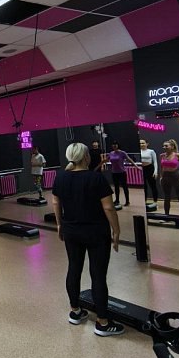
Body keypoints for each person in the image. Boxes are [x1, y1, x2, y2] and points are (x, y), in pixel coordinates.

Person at [52, 143, 124, 337]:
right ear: (86, 157)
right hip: (96, 233)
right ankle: (102, 323)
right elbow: (108, 207)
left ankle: (75, 311)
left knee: (73, 268)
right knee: (98, 275)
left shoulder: (60, 177)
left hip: (72, 232)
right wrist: (116, 230)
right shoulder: (96, 178)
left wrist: (59, 225)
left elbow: (56, 202)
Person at [159, 139, 179, 216]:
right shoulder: (162, 155)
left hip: (175, 176)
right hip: (166, 177)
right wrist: (161, 177)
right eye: (163, 146)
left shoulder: (178, 155)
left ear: (172, 147)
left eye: (166, 146)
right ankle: (166, 216)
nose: (164, 147)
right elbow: (161, 167)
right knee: (167, 197)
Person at [103, 141, 137, 206]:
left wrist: (136, 166)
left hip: (122, 172)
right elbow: (105, 160)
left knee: (124, 187)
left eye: (115, 145)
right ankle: (117, 200)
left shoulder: (122, 153)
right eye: (113, 145)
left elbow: (129, 159)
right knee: (116, 187)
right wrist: (98, 166)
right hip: (114, 173)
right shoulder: (111, 153)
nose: (114, 146)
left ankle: (127, 201)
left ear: (118, 145)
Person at [139, 139, 158, 203]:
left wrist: (155, 171)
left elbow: (155, 161)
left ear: (147, 144)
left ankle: (155, 201)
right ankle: (145, 200)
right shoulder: (139, 151)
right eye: (140, 143)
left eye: (143, 143)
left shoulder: (151, 151)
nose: (141, 144)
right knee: (144, 186)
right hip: (142, 169)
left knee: (153, 186)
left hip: (150, 168)